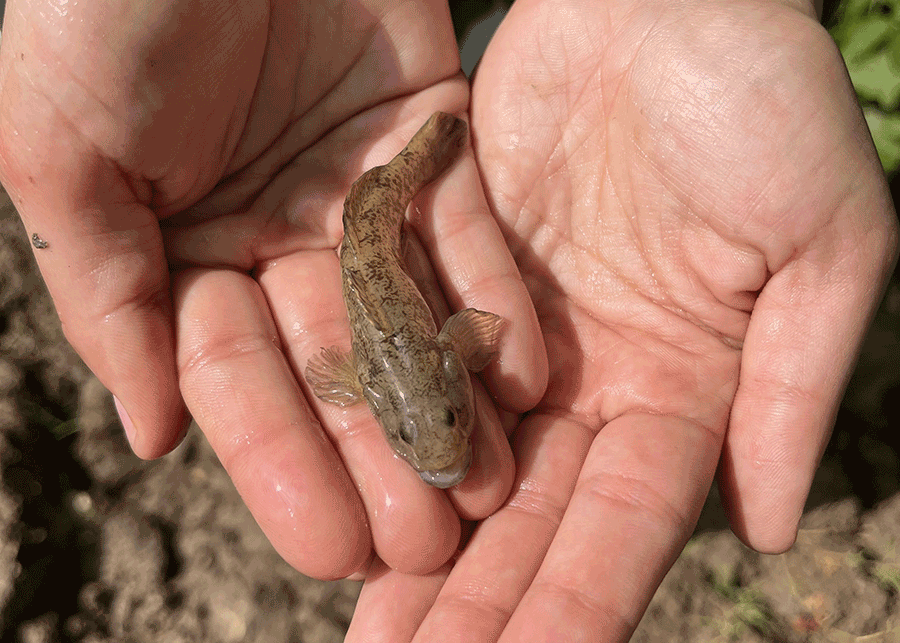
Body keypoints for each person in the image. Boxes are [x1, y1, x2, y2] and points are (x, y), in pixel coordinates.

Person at [0, 0, 894, 640]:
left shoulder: (443, 349)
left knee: (415, 170)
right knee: (390, 196)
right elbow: (415, 352)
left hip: (408, 173)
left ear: (448, 356)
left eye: (449, 419)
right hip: (371, 178)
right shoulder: (422, 363)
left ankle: (448, 112)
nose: (439, 444)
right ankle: (453, 97)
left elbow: (468, 333)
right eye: (420, 429)